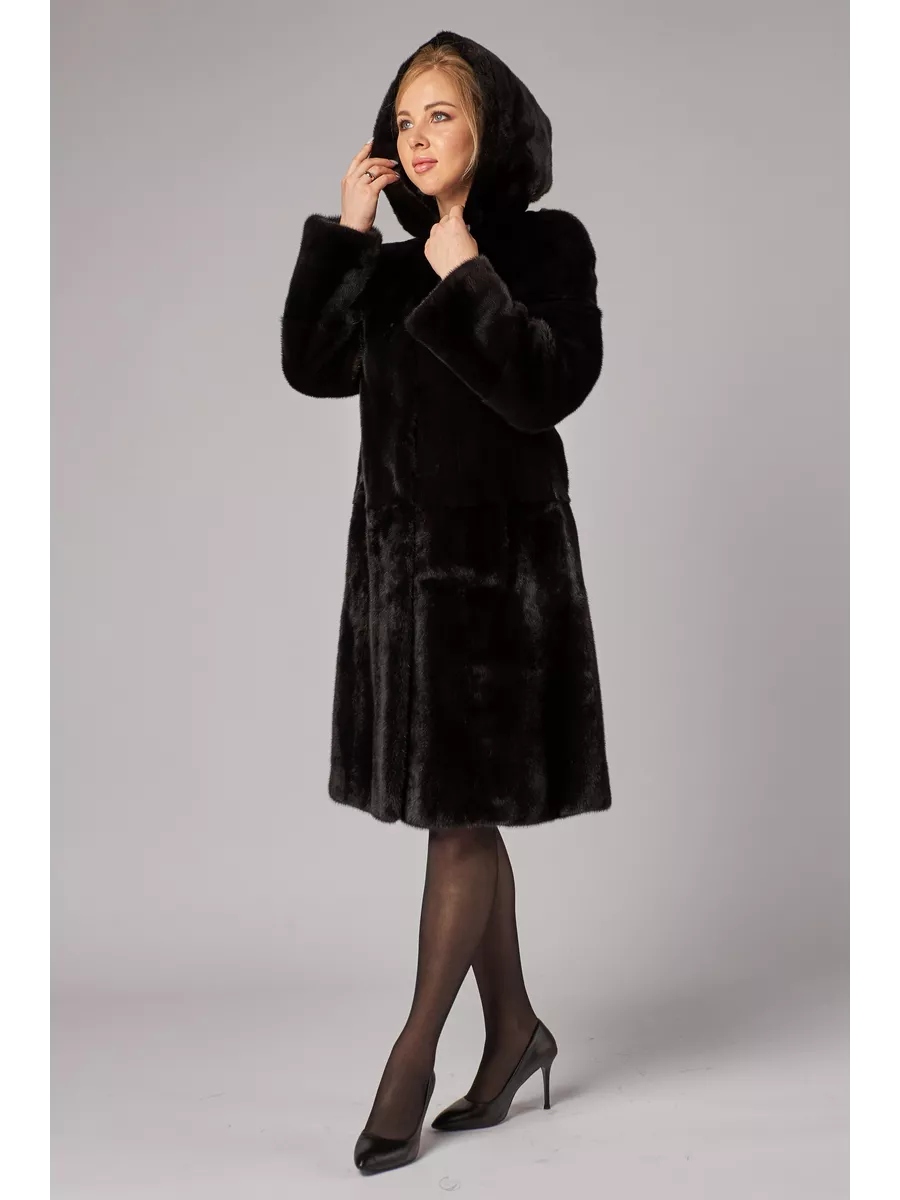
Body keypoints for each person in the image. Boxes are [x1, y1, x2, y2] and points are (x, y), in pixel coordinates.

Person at [280, 30, 613, 1175]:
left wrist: (468, 271)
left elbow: (549, 388)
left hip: (499, 586)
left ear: (489, 130)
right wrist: (346, 237)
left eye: (442, 116)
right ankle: (515, 1033)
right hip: (398, 586)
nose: (418, 138)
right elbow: (312, 368)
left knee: (460, 820)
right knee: (459, 815)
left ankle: (411, 1061)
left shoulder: (546, 246)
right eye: (404, 119)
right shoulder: (381, 267)